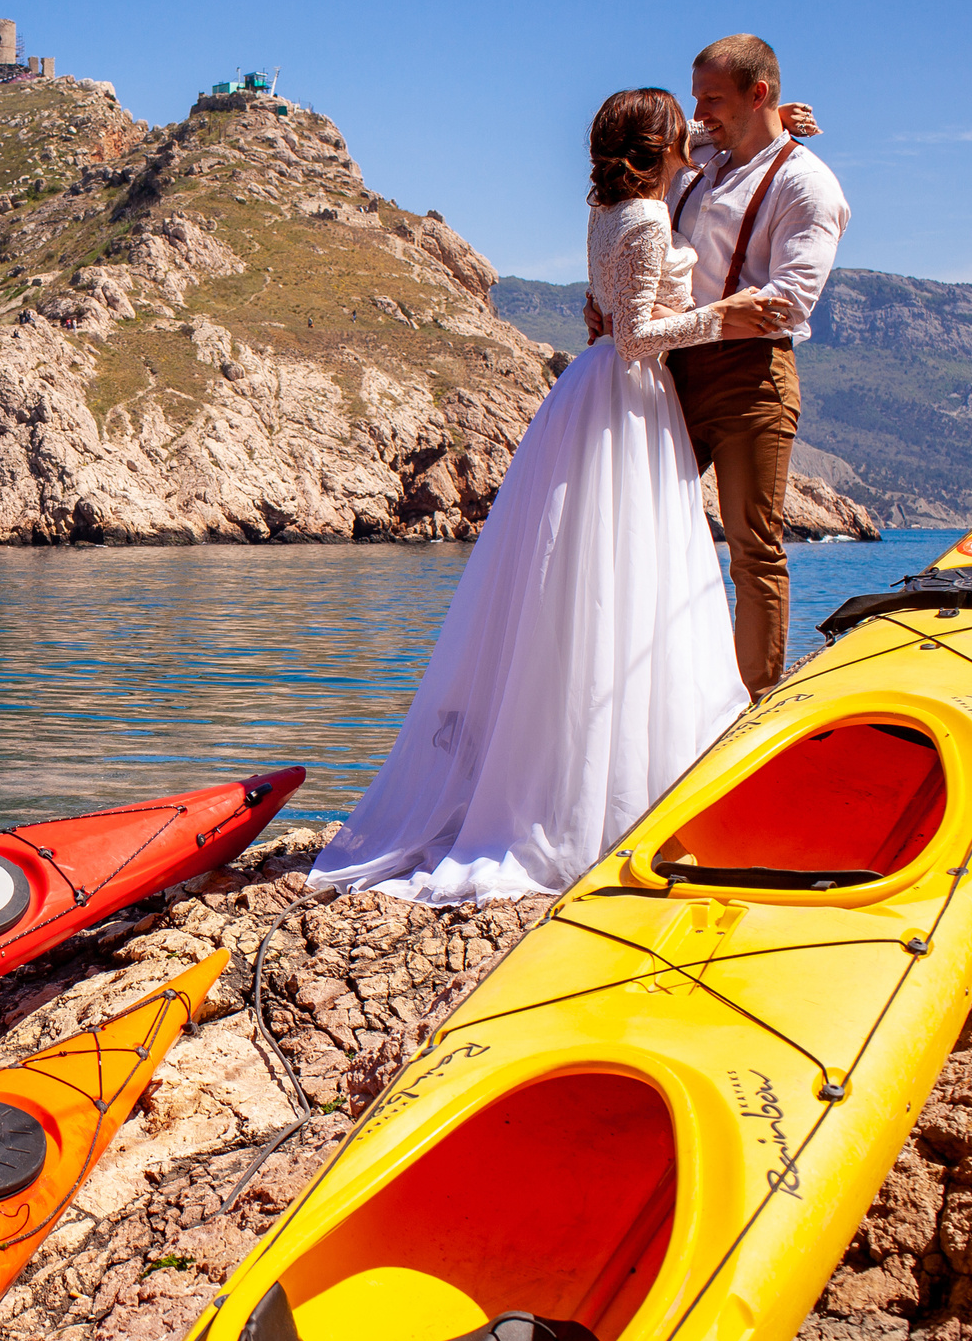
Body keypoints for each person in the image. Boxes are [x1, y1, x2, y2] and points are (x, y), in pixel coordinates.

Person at [312, 90, 784, 904]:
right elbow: (635, 333)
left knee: (595, 581)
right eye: (682, 126)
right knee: (624, 576)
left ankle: (588, 768)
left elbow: (606, 311)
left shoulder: (613, 210)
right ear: (659, 142)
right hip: (630, 389)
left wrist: (779, 127)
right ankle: (608, 791)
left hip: (603, 390)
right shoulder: (641, 219)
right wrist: (723, 315)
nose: (693, 135)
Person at [589, 35, 851, 696]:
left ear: (757, 94)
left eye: (712, 98)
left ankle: (755, 701)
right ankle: (644, 698)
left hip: (748, 379)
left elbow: (787, 301)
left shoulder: (807, 185)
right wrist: (610, 307)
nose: (698, 114)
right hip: (664, 373)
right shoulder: (698, 154)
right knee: (637, 536)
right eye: (696, 97)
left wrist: (675, 323)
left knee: (752, 550)